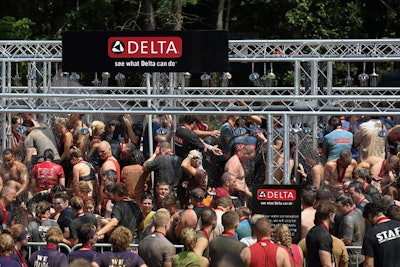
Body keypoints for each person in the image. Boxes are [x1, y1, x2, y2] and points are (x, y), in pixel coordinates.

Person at [362, 202, 400, 266]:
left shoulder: (370, 234)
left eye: (366, 221)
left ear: (369, 216)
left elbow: (369, 264)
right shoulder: (398, 224)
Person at [334, 195, 365, 266]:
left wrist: (334, 241)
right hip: (361, 255)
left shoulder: (348, 219)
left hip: (352, 257)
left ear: (347, 205)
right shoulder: (359, 211)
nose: (337, 209)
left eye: (339, 207)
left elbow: (347, 240)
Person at [306, 199, 336, 267]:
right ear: (330, 215)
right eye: (334, 214)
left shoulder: (312, 231)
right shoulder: (324, 235)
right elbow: (326, 265)